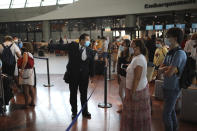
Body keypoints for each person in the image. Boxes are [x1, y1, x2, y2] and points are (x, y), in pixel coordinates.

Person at [49, 33, 95, 119]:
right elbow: (60, 46)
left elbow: (91, 64)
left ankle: (85, 112)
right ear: (81, 40)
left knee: (84, 94)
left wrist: (92, 76)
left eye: (89, 40)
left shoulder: (90, 50)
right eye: (87, 40)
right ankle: (74, 112)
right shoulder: (73, 46)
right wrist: (49, 45)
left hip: (84, 77)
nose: (89, 41)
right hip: (73, 75)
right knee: (73, 94)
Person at [158, 28, 187, 131]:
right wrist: (167, 68)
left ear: (174, 38)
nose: (166, 39)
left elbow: (169, 73)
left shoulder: (179, 53)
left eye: (168, 36)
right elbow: (162, 67)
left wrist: (165, 69)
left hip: (174, 87)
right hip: (167, 85)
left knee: (166, 114)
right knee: (171, 111)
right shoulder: (171, 52)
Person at [121, 39, 151, 131]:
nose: (130, 48)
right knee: (134, 115)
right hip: (134, 89)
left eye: (131, 46)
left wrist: (132, 93)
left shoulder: (139, 59)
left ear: (137, 47)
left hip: (137, 90)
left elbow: (137, 79)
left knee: (136, 116)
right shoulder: (136, 57)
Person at [0, 36, 21, 112]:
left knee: (5, 78)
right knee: (11, 77)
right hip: (12, 65)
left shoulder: (0, 45)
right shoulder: (14, 45)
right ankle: (11, 91)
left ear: (4, 39)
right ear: (11, 39)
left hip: (4, 65)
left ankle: (7, 91)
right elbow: (19, 55)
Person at [117, 39, 132, 113]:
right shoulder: (121, 53)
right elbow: (118, 64)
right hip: (121, 75)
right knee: (120, 92)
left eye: (124, 45)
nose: (122, 46)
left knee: (127, 93)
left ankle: (126, 107)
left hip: (127, 76)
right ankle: (125, 105)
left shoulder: (131, 55)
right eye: (121, 44)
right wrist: (118, 75)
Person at [19, 42, 35, 108]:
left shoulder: (25, 53)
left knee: (25, 88)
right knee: (31, 87)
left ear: (25, 47)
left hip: (25, 71)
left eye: (23, 45)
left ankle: (26, 104)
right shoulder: (30, 54)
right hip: (30, 71)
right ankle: (32, 102)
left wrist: (21, 70)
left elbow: (25, 61)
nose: (22, 46)